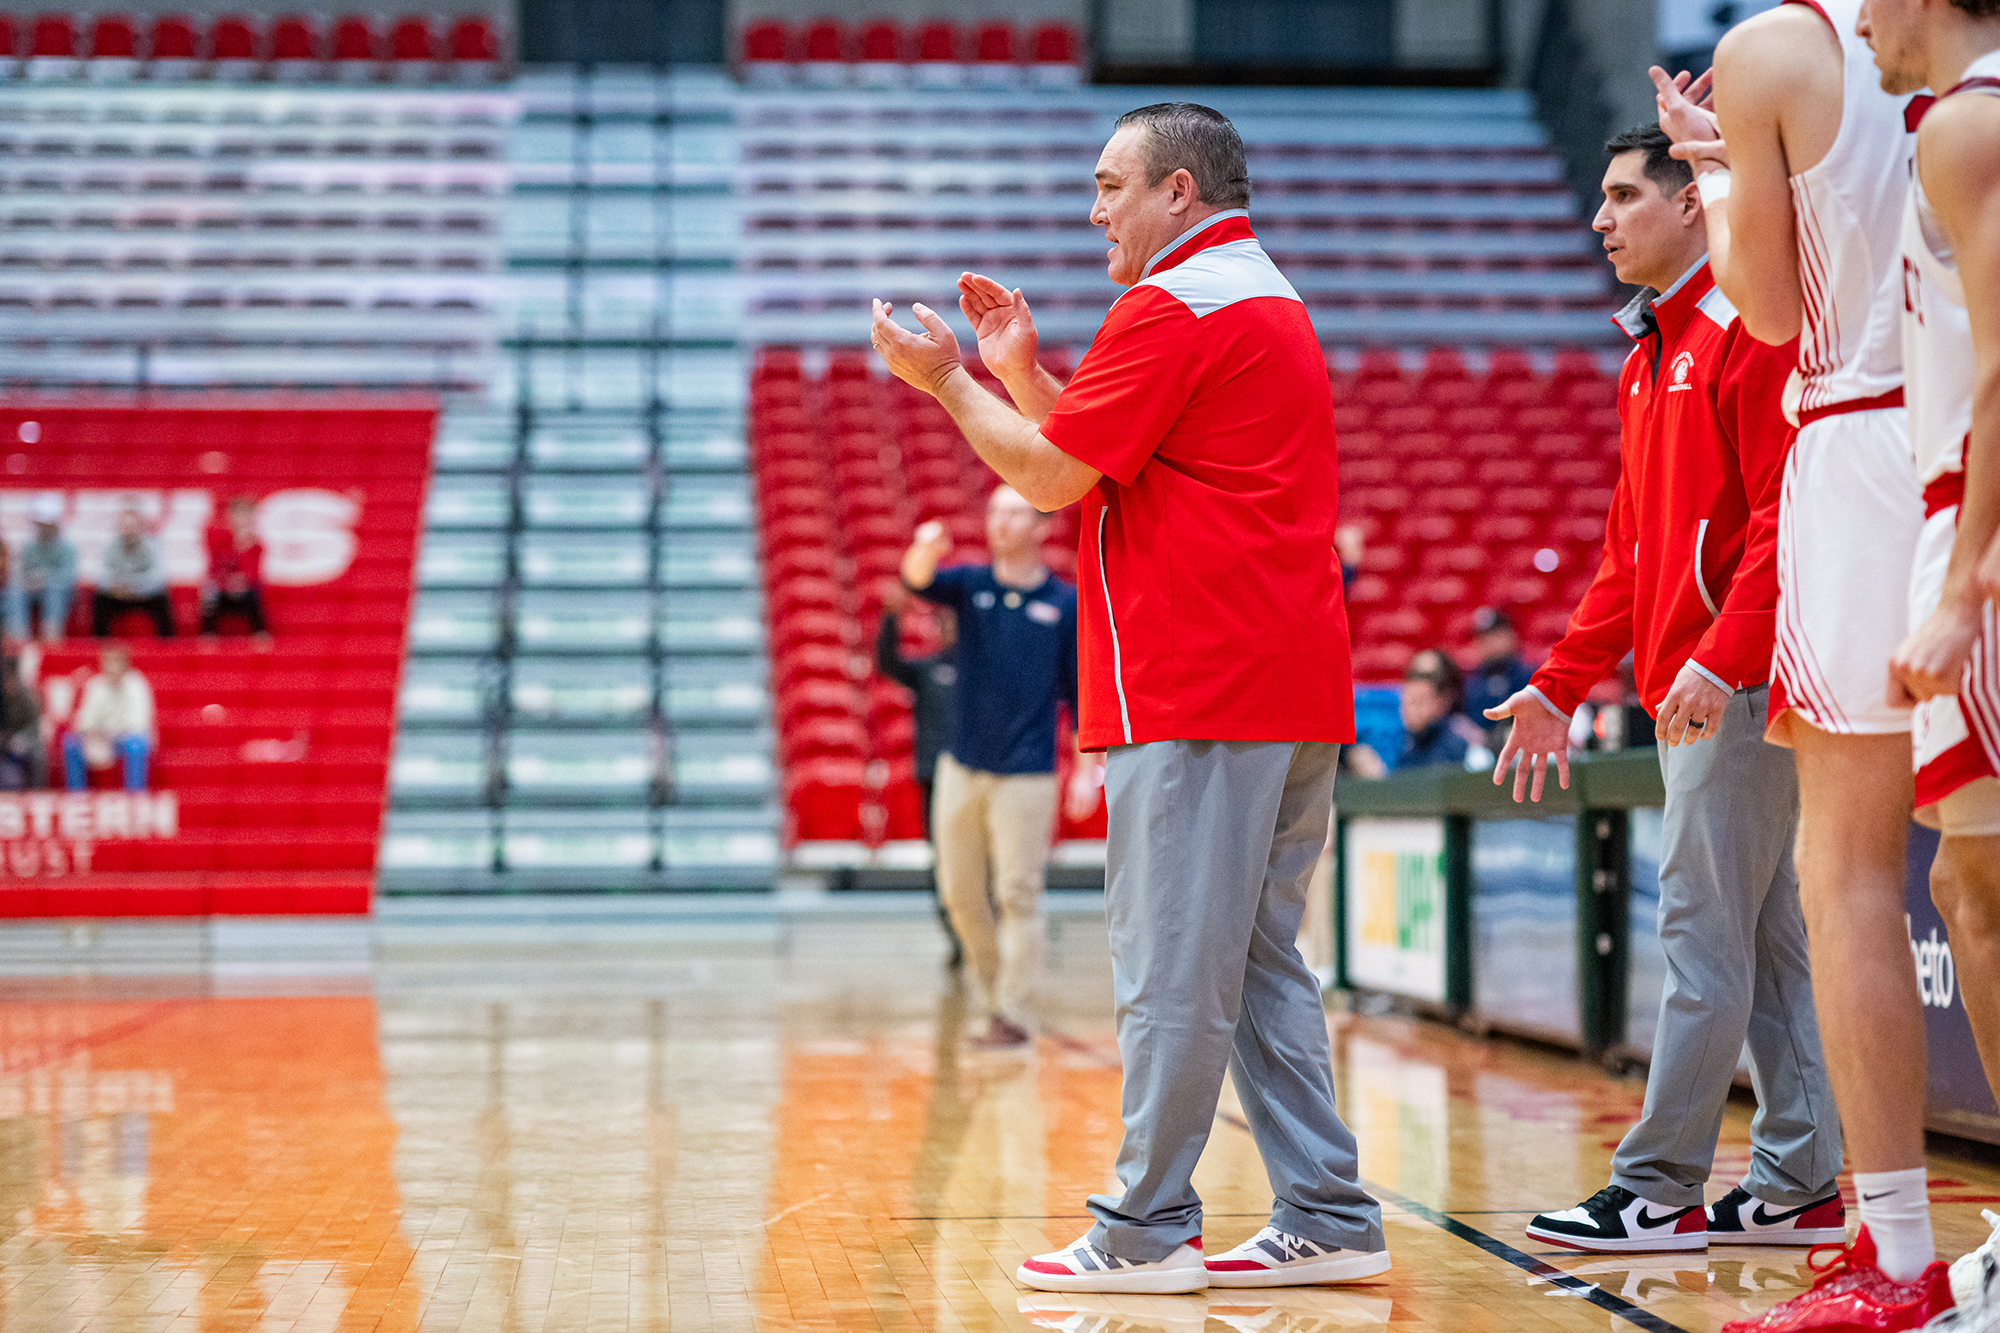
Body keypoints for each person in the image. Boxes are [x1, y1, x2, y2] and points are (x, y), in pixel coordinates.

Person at [872, 101, 1388, 1295]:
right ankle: (1324, 1209)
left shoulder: (1168, 305)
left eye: (1111, 185)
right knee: (1255, 962)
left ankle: (1146, 1226)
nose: (1093, 208)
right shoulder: (1251, 292)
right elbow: (1118, 453)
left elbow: (1051, 479)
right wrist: (1023, 372)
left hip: (1198, 682)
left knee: (1168, 964)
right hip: (1283, 678)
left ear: (1179, 194)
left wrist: (950, 383)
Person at [1486, 124, 1845, 1258]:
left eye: (1623, 196)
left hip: (1733, 686)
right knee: (1767, 940)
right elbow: (1630, 555)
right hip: (1699, 684)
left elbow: (1784, 525)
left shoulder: (1743, 332)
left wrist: (1718, 656)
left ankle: (1655, 1187)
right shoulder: (1651, 351)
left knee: (1701, 934)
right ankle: (1797, 1179)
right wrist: (1557, 682)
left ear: (1694, 205)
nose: (1599, 219)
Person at [1652, 0, 1953, 1318]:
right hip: (1964, 430)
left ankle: (1892, 1247)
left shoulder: (1784, 48)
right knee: (1982, 878)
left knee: (1847, 878)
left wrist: (1717, 163)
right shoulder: (1967, 64)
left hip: (1856, 433)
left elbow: (1767, 312)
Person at [1866, 0, 2000, 1326]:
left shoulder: (1971, 123)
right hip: (1956, 517)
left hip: (1979, 530)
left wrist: (1964, 584)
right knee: (1970, 879)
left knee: (1984, 883)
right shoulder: (1953, 126)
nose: (1855, 19)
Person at [899, 488, 1082, 1052]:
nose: (1001, 521)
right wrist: (924, 549)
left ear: (1039, 525)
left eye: (1015, 512)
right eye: (995, 512)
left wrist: (1085, 770)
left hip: (1028, 774)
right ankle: (991, 995)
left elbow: (1078, 693)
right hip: (962, 765)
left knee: (1018, 894)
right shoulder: (971, 585)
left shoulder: (1064, 603)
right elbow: (917, 581)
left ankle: (1012, 1014)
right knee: (958, 893)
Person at [875, 581, 965, 968]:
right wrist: (891, 618)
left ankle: (979, 927)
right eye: (940, 622)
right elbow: (888, 663)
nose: (944, 628)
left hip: (975, 775)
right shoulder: (928, 670)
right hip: (933, 775)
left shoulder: (983, 673)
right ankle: (954, 932)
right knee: (940, 859)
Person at [63, 644, 154, 793]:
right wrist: (97, 735)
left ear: (126, 665)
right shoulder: (95, 685)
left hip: (126, 739)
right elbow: (84, 722)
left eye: (116, 662)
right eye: (108, 662)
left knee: (136, 744)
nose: (112, 667)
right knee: (71, 743)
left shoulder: (137, 684)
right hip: (102, 738)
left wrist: (110, 733)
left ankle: (135, 796)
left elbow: (139, 724)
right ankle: (77, 797)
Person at [92, 507, 174, 638]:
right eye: (125, 527)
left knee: (162, 599)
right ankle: (100, 647)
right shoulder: (110, 548)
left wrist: (130, 586)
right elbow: (101, 577)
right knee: (100, 598)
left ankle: (167, 648)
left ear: (140, 528)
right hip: (118, 597)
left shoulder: (151, 547)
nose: (128, 531)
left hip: (145, 596)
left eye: (132, 527)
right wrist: (118, 587)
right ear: (119, 528)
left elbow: (158, 577)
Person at [201, 494, 270, 641]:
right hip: (221, 587)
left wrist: (241, 579)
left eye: (246, 516)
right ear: (230, 516)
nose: (242, 520)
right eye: (239, 515)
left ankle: (259, 632)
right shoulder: (218, 536)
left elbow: (253, 573)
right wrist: (236, 544)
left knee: (255, 592)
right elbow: (216, 566)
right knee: (209, 591)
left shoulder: (256, 544)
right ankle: (208, 633)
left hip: (244, 588)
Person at [1394, 650, 1470, 770]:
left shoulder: (1459, 744)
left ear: (1441, 701)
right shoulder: (1401, 745)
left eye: (1420, 702)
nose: (1412, 710)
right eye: (1408, 703)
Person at [1459, 607, 1534, 725]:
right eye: (1481, 638)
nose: (1487, 642)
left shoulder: (1531, 678)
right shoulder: (1470, 685)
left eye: (1494, 635)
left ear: (1510, 635)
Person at [17, 495, 76, 643]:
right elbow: (22, 574)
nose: (44, 528)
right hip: (32, 591)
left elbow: (68, 577)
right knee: (15, 591)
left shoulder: (67, 548)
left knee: (54, 590)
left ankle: (52, 635)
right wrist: (32, 582)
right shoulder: (28, 547)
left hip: (59, 593)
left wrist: (45, 579)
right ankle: (16, 634)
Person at [0, 655, 41, 790]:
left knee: (38, 752)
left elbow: (34, 726)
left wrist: (16, 739)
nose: (8, 683)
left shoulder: (25, 698)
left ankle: (37, 791)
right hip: (3, 740)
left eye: (11, 678)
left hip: (22, 739)